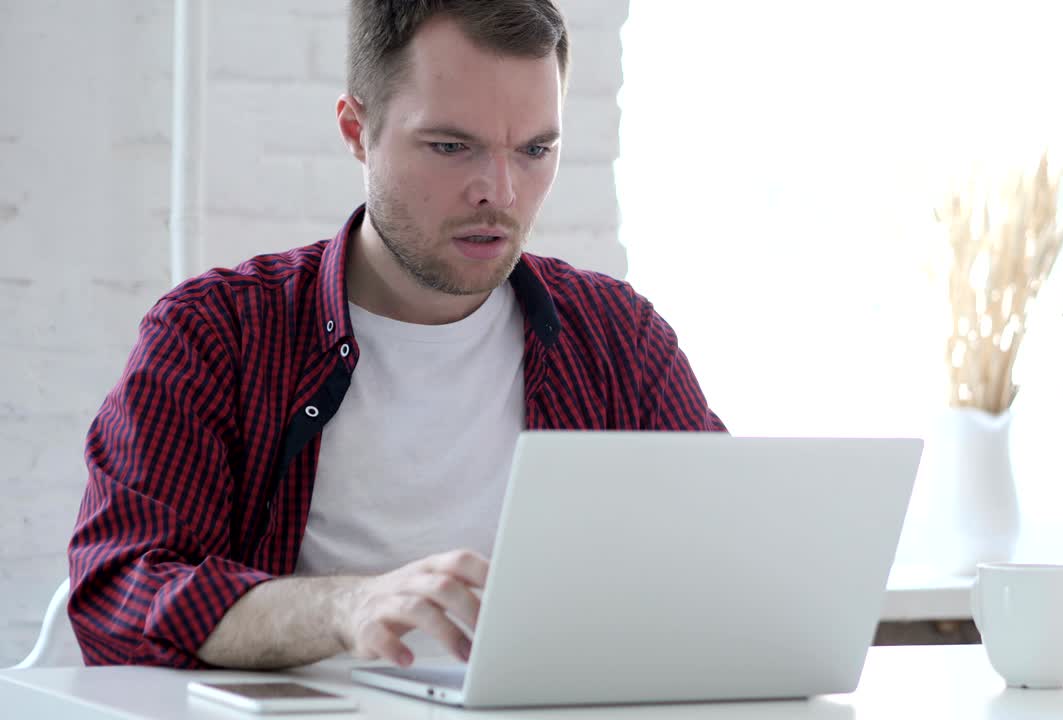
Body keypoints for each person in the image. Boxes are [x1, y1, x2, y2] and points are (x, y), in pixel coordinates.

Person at [67, 0, 723, 671]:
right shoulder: (216, 334)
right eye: (450, 146)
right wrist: (345, 608)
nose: (498, 192)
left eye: (534, 150)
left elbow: (733, 562)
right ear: (357, 130)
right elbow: (118, 595)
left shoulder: (618, 338)